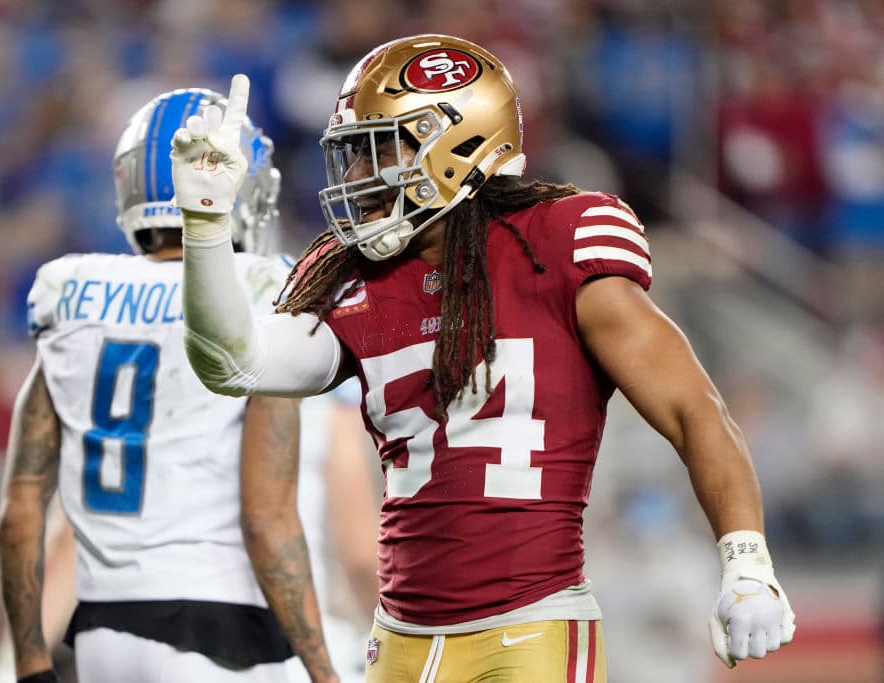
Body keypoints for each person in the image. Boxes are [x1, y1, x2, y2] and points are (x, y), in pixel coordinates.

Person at [170, 34, 797, 682]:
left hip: (528, 630)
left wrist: (746, 556)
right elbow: (235, 364)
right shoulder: (358, 280)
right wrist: (205, 223)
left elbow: (695, 408)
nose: (356, 177)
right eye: (351, 156)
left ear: (454, 145)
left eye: (375, 151)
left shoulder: (557, 244)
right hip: (399, 639)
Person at [0, 87, 341, 683]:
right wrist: (323, 669)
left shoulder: (71, 293)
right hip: (223, 633)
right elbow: (269, 517)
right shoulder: (262, 289)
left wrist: (29, 659)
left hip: (101, 628)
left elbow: (21, 508)